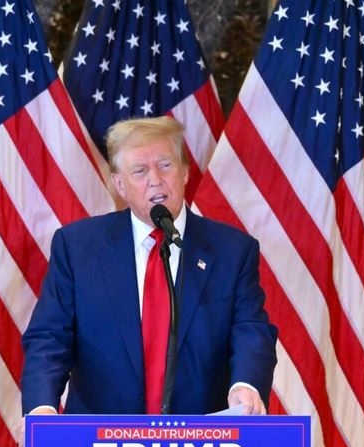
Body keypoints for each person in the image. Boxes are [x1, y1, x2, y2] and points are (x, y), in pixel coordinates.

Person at [20, 116, 277, 416]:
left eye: (165, 165)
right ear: (120, 185)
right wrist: (41, 407)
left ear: (184, 172)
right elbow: (50, 337)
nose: (155, 179)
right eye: (140, 171)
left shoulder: (233, 251)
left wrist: (245, 385)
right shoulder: (78, 248)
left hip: (201, 432)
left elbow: (250, 329)